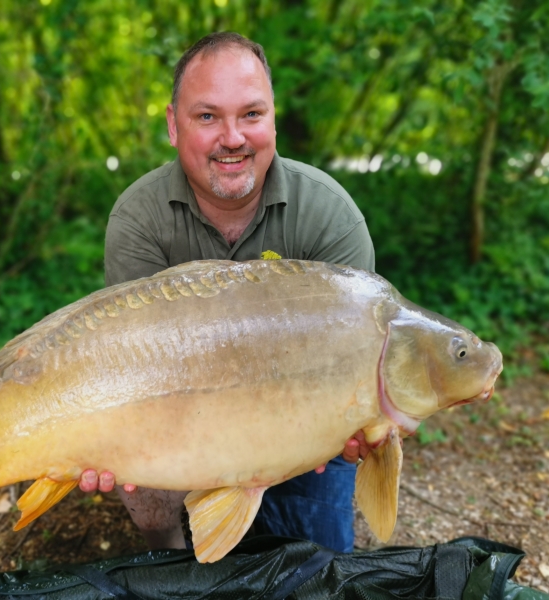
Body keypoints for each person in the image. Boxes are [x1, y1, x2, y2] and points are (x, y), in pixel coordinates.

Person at [80, 32, 374, 553]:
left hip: (300, 419)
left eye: (252, 115)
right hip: (180, 412)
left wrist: (354, 425)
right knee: (136, 476)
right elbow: (131, 369)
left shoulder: (330, 215)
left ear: (274, 120)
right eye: (208, 117)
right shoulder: (138, 217)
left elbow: (355, 368)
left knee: (318, 561)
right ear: (174, 125)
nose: (233, 137)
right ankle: (170, 552)